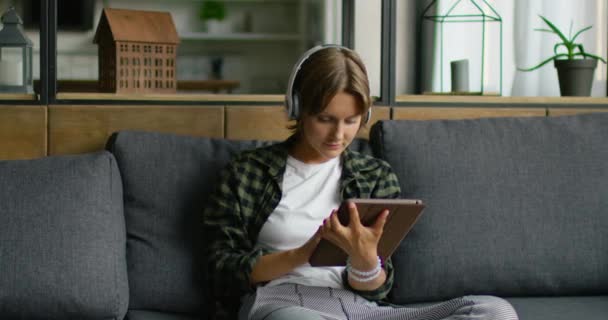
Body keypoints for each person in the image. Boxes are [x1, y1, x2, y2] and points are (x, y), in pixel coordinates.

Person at [202, 45, 518, 320]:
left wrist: (365, 261)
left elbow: (379, 287)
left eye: (351, 121)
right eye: (325, 119)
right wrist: (304, 254)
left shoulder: (375, 177)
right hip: (280, 303)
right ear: (298, 109)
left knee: (493, 311)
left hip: (359, 307)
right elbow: (221, 271)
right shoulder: (248, 172)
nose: (338, 135)